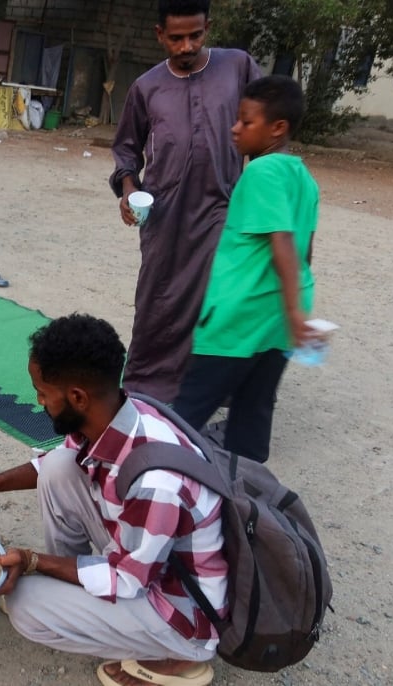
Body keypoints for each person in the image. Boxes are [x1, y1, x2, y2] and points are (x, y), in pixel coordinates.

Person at [0, 314, 227, 686]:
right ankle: (73, 592)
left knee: (26, 607)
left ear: (77, 397)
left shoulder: (156, 482)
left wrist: (35, 561)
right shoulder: (121, 414)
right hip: (149, 558)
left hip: (181, 609)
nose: (38, 401)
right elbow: (49, 467)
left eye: (42, 392)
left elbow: (129, 580)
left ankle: (175, 656)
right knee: (59, 467)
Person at [109, 0, 262, 403]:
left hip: (221, 204)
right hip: (163, 211)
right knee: (158, 297)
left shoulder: (238, 67)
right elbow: (127, 148)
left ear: (207, 27)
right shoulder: (146, 86)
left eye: (195, 35)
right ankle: (145, 387)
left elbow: (264, 125)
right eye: (176, 38)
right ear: (160, 34)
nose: (186, 46)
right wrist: (128, 189)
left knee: (215, 294)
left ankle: (204, 389)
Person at [172, 76, 319, 463]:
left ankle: (152, 495)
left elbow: (284, 242)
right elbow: (307, 251)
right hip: (275, 328)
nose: (235, 129)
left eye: (246, 122)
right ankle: (246, 502)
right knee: (251, 420)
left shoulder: (261, 173)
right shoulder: (302, 176)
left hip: (239, 320)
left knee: (182, 420)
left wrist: (294, 311)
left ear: (278, 128)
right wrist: (294, 310)